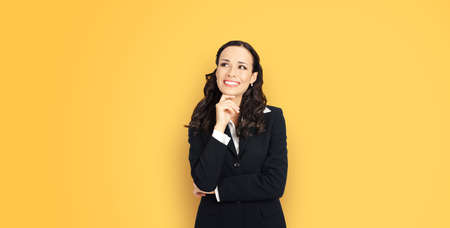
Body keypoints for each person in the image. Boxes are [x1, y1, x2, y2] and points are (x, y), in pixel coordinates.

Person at [185, 40, 288, 228]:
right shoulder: (201, 119)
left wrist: (218, 191)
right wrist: (220, 126)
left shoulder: (273, 118)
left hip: (264, 222)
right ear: (217, 71)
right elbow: (204, 182)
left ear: (253, 77)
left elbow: (275, 183)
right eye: (225, 64)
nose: (231, 73)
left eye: (242, 67)